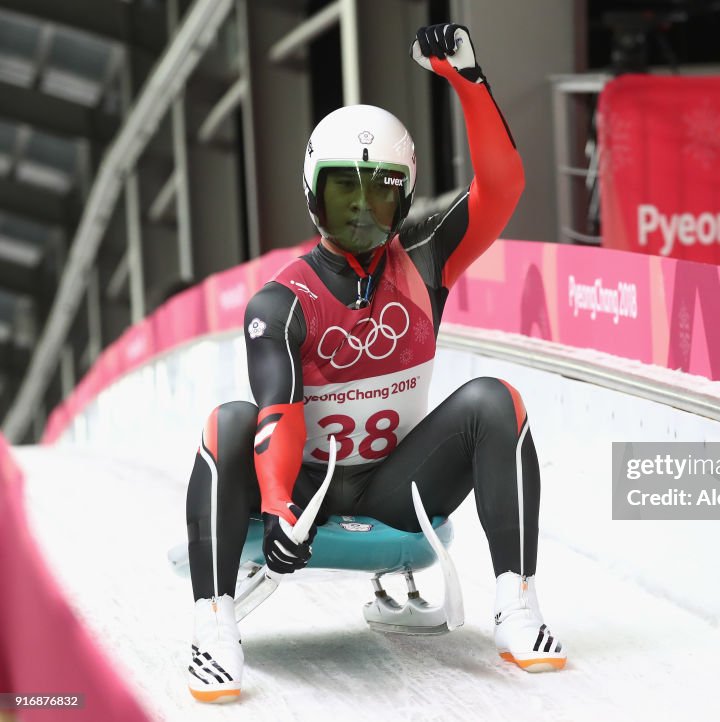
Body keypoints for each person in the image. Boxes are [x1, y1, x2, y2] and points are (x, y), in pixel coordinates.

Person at [183, 23, 565, 703]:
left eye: (379, 193)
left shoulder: (424, 265)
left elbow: (501, 189)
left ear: (405, 197)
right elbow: (279, 408)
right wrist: (276, 506)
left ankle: (518, 604)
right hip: (305, 491)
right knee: (228, 423)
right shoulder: (281, 301)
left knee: (493, 400)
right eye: (344, 193)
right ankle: (214, 626)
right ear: (313, 195)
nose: (362, 211)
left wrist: (468, 82)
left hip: (397, 488)